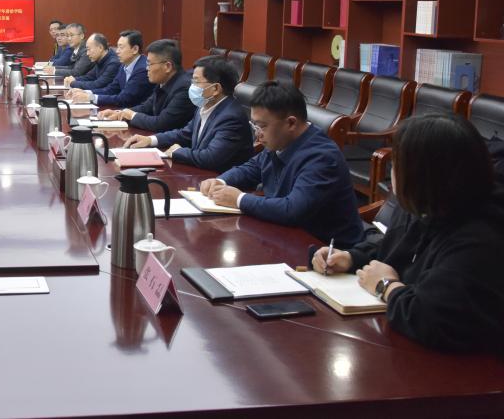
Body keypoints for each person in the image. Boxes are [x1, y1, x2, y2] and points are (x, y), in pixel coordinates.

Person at [312, 115, 504, 354]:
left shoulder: (480, 236)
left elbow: (431, 319)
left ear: (423, 175)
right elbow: (400, 249)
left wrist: (385, 286)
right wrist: (352, 258)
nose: (391, 173)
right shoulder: (430, 204)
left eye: (396, 165)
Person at [199, 81, 364, 246]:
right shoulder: (281, 140)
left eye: (262, 126)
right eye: (255, 125)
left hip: (327, 250)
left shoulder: (322, 157)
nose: (257, 135)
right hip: (285, 236)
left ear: (291, 123)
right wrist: (221, 181)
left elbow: (292, 210)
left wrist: (239, 199)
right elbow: (252, 168)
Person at [124, 56, 253, 172]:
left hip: (219, 182)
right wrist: (150, 140)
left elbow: (211, 158)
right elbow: (185, 134)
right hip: (201, 174)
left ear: (215, 89)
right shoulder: (205, 105)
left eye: (196, 82)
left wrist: (178, 152)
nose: (192, 86)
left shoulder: (231, 118)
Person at [100, 39, 195, 133]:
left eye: (150, 64)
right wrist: (120, 113)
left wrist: (132, 116)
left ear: (168, 66)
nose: (147, 68)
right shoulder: (163, 81)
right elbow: (146, 107)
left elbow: (161, 124)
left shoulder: (184, 88)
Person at [68, 29, 152, 108]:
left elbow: (124, 99)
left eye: (121, 47)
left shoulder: (142, 69)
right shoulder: (124, 65)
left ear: (135, 49)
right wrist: (86, 92)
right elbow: (111, 89)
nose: (117, 51)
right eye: (117, 47)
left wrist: (91, 97)